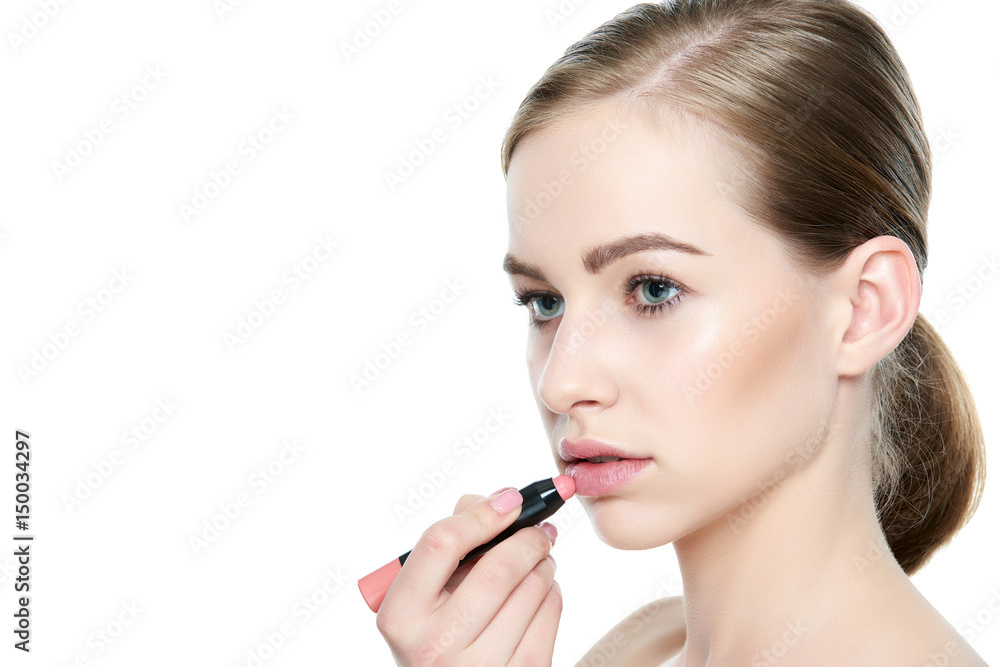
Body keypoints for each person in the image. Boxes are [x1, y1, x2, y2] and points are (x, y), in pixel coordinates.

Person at [374, 1, 988, 663]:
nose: (560, 383)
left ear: (866, 307)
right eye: (544, 302)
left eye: (653, 290)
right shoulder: (645, 643)